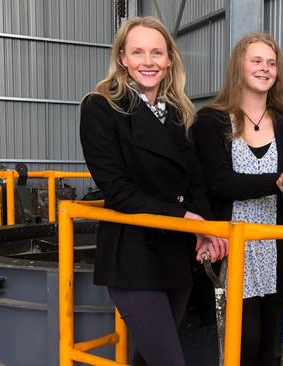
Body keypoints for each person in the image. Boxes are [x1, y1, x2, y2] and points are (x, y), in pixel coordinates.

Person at [79, 16, 227, 366]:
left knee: (149, 360)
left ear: (169, 59)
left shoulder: (178, 113)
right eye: (138, 52)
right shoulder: (100, 107)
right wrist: (187, 218)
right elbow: (118, 191)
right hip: (132, 256)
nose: (148, 61)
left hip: (174, 255)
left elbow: (195, 181)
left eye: (157, 52)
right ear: (122, 58)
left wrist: (201, 229)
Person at [192, 32, 283, 366]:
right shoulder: (211, 121)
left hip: (273, 252)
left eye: (271, 63)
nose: (265, 69)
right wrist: (280, 181)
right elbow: (220, 183)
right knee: (240, 345)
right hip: (230, 251)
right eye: (256, 61)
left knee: (268, 348)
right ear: (238, 67)